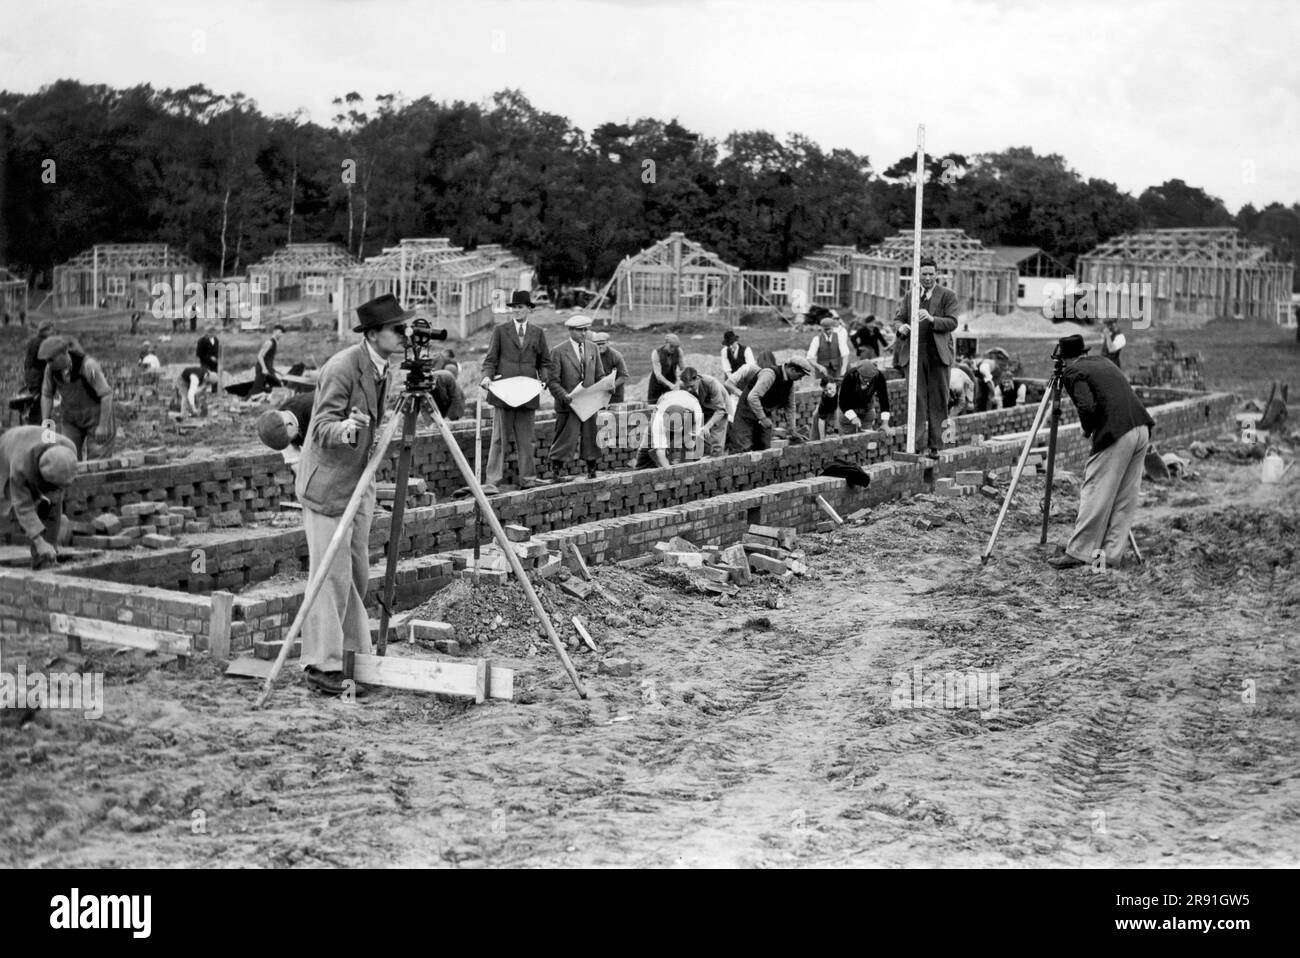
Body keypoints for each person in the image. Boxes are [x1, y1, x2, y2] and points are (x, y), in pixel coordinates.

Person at [295, 294, 407, 696]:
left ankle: (352, 655)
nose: (404, 335)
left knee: (356, 573)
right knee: (330, 575)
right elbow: (321, 424)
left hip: (360, 485)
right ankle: (321, 665)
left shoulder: (384, 370)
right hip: (329, 486)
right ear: (373, 334)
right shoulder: (342, 367)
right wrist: (346, 429)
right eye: (397, 329)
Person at [1048, 335, 1155, 571]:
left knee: (1096, 491)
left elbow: (1086, 406)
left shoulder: (1072, 372)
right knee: (1124, 499)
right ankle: (1109, 558)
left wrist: (1087, 430)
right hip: (1141, 428)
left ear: (1064, 359)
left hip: (1117, 433)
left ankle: (1080, 552)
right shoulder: (1104, 362)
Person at [481, 290, 551, 490]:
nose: (516, 311)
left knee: (527, 439)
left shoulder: (538, 333)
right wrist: (486, 377)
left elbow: (545, 361)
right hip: (504, 391)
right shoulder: (501, 331)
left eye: (520, 307)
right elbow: (490, 360)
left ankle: (527, 480)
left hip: (527, 392)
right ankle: (493, 482)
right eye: (513, 308)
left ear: (529, 309)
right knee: (498, 438)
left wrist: (544, 379)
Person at [894, 256, 959, 454]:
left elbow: (952, 322)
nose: (928, 278)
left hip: (938, 354)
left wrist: (932, 319)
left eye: (931, 274)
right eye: (924, 274)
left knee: (939, 399)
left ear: (937, 274)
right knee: (917, 399)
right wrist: (902, 327)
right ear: (918, 275)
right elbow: (898, 318)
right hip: (915, 354)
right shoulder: (910, 295)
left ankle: (936, 447)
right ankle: (917, 445)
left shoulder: (948, 295)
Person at [0, 426, 79, 569]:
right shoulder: (20, 465)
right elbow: (23, 506)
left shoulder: (68, 447)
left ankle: (45, 560)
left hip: (34, 446)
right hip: (6, 449)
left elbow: (57, 492)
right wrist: (38, 541)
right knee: (4, 502)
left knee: (52, 503)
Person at [547, 314, 606, 480]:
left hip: (588, 404)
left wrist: (605, 385)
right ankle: (556, 472)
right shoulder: (558, 351)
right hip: (568, 404)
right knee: (565, 439)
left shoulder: (592, 348)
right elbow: (552, 381)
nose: (584, 333)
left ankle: (592, 469)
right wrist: (564, 396)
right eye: (580, 330)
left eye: (586, 330)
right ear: (571, 331)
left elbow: (599, 374)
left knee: (590, 436)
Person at [39, 336, 116, 460]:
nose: (48, 363)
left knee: (97, 462)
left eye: (51, 360)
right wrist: (46, 422)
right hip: (71, 419)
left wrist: (102, 426)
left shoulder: (89, 366)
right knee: (69, 457)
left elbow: (106, 395)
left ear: (64, 353)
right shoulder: (51, 370)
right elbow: (47, 394)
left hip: (96, 417)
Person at [726, 356, 812, 453]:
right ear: (792, 369)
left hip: (764, 413)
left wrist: (792, 430)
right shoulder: (770, 374)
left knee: (764, 449)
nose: (800, 379)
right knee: (743, 449)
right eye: (800, 376)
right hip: (746, 413)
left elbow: (790, 407)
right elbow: (752, 397)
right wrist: (762, 418)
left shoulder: (789, 383)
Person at [677, 366, 729, 458]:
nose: (689, 389)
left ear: (697, 379)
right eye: (687, 387)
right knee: (700, 436)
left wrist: (708, 426)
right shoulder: (682, 386)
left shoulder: (710, 383)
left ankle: (717, 460)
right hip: (703, 408)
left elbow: (720, 410)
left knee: (716, 439)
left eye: (691, 386)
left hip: (720, 408)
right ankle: (706, 457)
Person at [839, 358, 892, 432]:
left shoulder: (879, 377)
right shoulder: (850, 376)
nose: (867, 382)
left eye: (869, 379)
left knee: (865, 438)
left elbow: (884, 400)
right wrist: (853, 417)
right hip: (848, 409)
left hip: (866, 409)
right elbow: (843, 402)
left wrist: (885, 424)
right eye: (864, 379)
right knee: (848, 439)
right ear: (859, 374)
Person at [20, 321, 55, 425]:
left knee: (33, 397)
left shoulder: (33, 341)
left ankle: (31, 418)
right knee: (39, 398)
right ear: (46, 330)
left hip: (29, 372)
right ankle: (36, 422)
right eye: (51, 330)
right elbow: (46, 360)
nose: (53, 332)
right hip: (38, 373)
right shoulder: (43, 342)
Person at [592, 332, 627, 403]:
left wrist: (612, 386)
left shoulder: (616, 356)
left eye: (602, 344)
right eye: (597, 344)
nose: (600, 346)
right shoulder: (591, 356)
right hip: (598, 394)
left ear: (608, 343)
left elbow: (624, 376)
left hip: (614, 394)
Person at [647, 333, 683, 404]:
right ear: (666, 343)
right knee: (652, 403)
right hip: (657, 381)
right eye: (671, 346)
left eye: (675, 347)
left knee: (671, 403)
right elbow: (658, 375)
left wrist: (679, 381)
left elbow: (682, 368)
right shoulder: (656, 353)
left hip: (671, 377)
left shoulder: (679, 351)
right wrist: (670, 385)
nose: (673, 349)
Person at [251, 325, 286, 394]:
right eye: (280, 332)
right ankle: (245, 401)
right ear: (275, 331)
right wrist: (264, 368)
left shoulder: (275, 343)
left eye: (282, 333)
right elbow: (260, 356)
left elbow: (268, 359)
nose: (281, 335)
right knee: (257, 389)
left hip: (268, 369)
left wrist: (276, 371)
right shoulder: (269, 343)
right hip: (262, 369)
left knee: (277, 385)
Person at [197, 323, 221, 389]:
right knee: (205, 378)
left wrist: (217, 358)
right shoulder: (201, 341)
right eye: (211, 332)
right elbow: (199, 354)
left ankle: (214, 392)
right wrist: (210, 358)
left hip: (214, 364)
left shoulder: (216, 340)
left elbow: (217, 351)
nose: (213, 333)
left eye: (214, 332)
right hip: (205, 363)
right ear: (207, 332)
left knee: (215, 378)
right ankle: (202, 391)